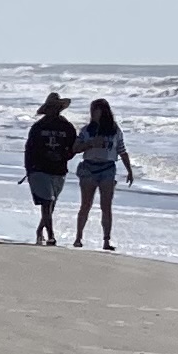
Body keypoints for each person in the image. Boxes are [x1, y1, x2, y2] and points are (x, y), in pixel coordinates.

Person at [73, 96, 133, 249]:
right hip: (89, 168)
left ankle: (106, 240)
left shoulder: (114, 130)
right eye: (92, 110)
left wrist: (129, 170)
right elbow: (75, 148)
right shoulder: (87, 130)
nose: (92, 113)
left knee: (106, 206)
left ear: (104, 111)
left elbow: (122, 150)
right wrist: (90, 144)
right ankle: (78, 237)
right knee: (86, 204)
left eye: (95, 110)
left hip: (107, 168)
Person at [20, 92, 79, 244]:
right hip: (39, 169)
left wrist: (64, 156)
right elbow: (30, 149)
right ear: (47, 108)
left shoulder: (66, 127)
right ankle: (51, 235)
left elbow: (73, 147)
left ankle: (40, 230)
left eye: (57, 107)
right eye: (52, 107)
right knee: (47, 202)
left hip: (59, 170)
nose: (55, 110)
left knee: (51, 204)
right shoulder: (38, 127)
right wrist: (29, 171)